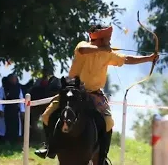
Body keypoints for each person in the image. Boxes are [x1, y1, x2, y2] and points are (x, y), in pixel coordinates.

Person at [35, 24, 159, 164]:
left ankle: (102, 157)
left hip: (94, 94)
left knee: (108, 122)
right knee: (46, 115)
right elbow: (82, 50)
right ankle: (49, 147)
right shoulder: (83, 46)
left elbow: (126, 59)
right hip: (73, 90)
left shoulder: (108, 54)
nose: (109, 41)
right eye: (107, 38)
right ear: (99, 40)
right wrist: (101, 49)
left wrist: (149, 58)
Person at [0, 74, 25, 144]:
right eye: (12, 79)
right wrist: (0, 110)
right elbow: (0, 99)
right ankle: (4, 140)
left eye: (15, 78)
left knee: (15, 125)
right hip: (6, 109)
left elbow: (21, 99)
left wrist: (22, 110)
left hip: (15, 109)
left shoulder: (18, 88)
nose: (14, 80)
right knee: (4, 126)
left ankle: (14, 140)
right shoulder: (3, 88)